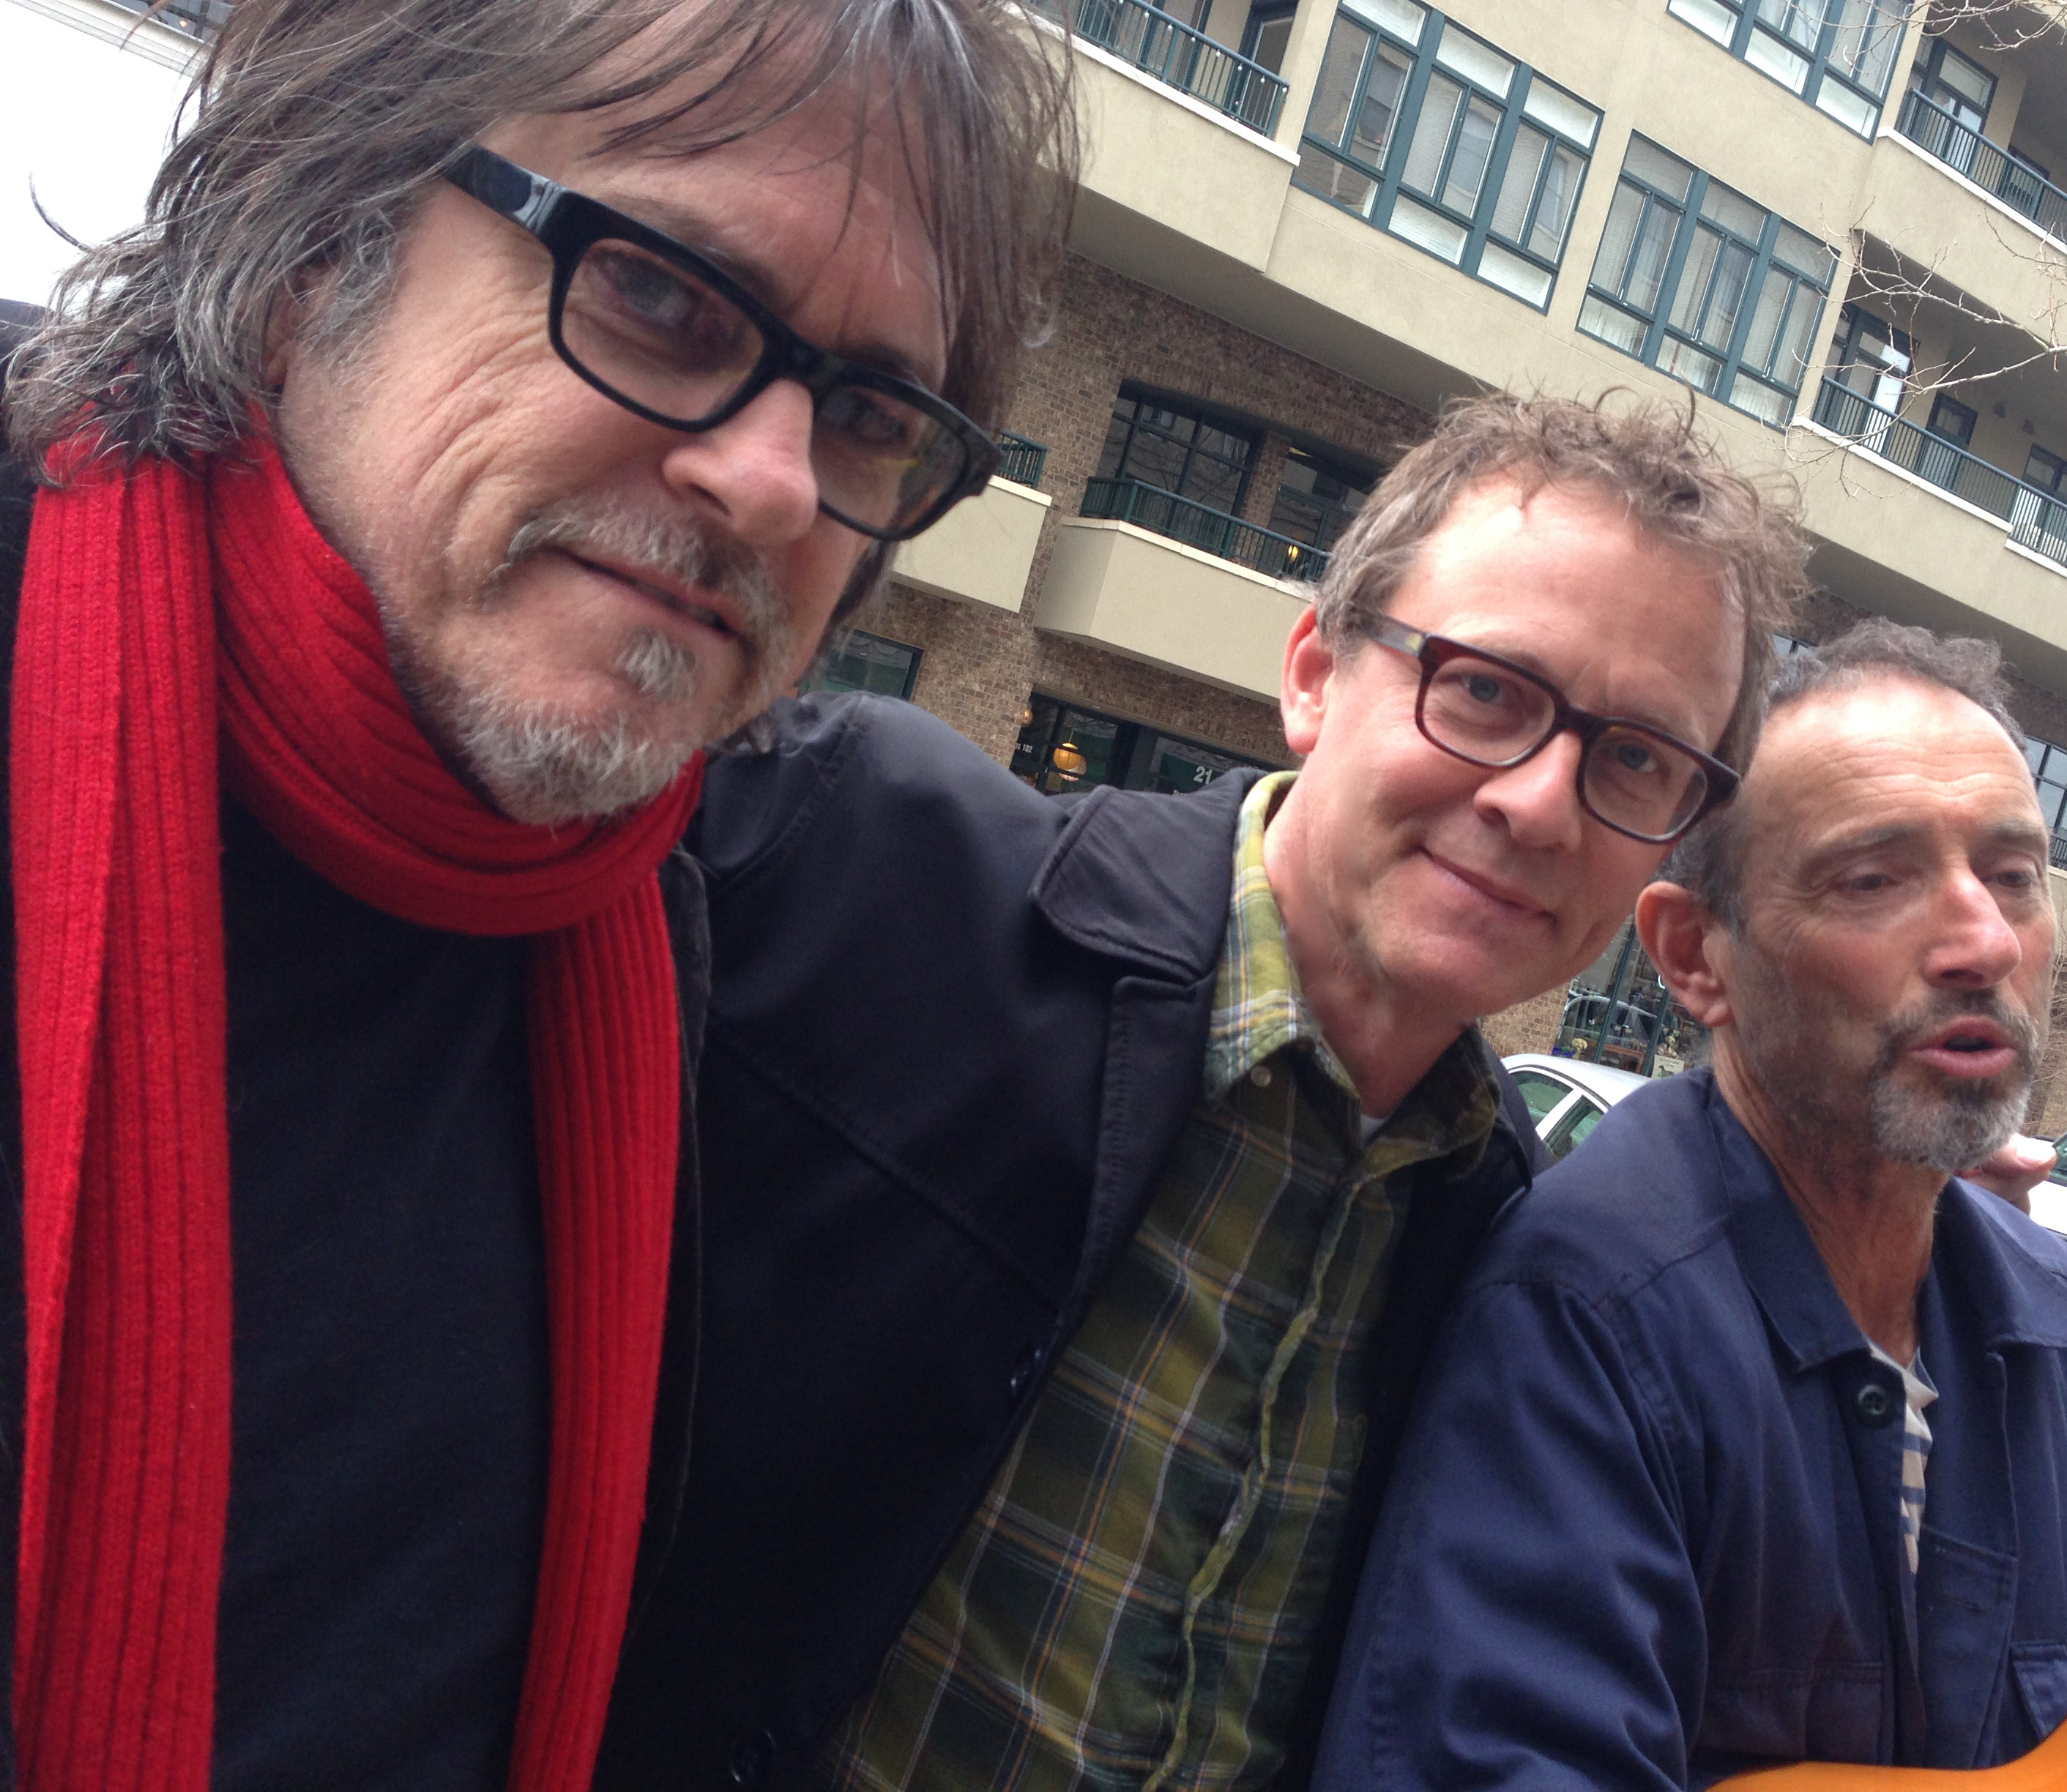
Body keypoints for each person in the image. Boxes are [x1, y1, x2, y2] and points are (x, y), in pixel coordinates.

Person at [0, 2, 1069, 1786]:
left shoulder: (665, 928)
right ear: (306, 240)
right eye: (659, 294)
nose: (774, 480)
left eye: (873, 412)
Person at [600, 392, 1811, 1791]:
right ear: (1314, 675)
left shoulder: (1507, 1240)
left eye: (1638, 760)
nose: (1540, 803)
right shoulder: (865, 867)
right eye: (1484, 689)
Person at [1313, 620, 2067, 1792]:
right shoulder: (1581, 1322)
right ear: (1695, 958)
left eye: (2013, 877)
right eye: (1873, 878)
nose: (1983, 941)